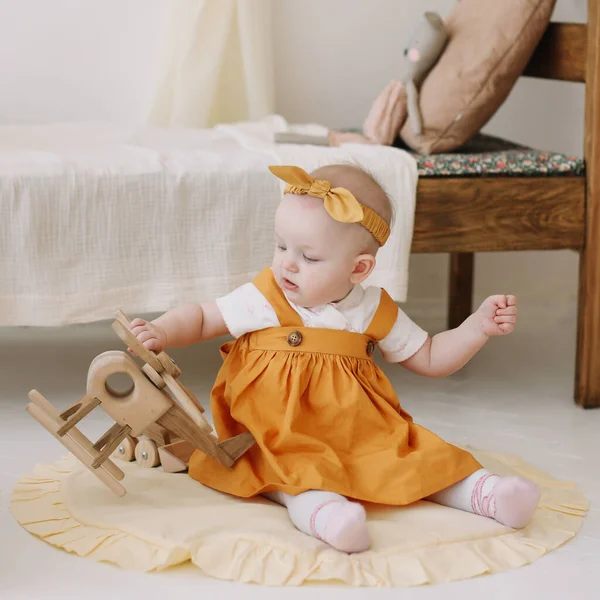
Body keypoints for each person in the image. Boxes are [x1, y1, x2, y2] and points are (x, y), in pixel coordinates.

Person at [128, 163, 540, 553]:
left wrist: (476, 328)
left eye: (309, 257)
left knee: (412, 455)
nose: (287, 263)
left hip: (358, 427)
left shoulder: (373, 308)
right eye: (281, 245)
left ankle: (489, 494)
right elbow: (202, 316)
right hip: (275, 428)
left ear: (359, 269)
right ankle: (328, 517)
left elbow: (430, 356)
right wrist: (162, 331)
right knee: (293, 472)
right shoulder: (265, 296)